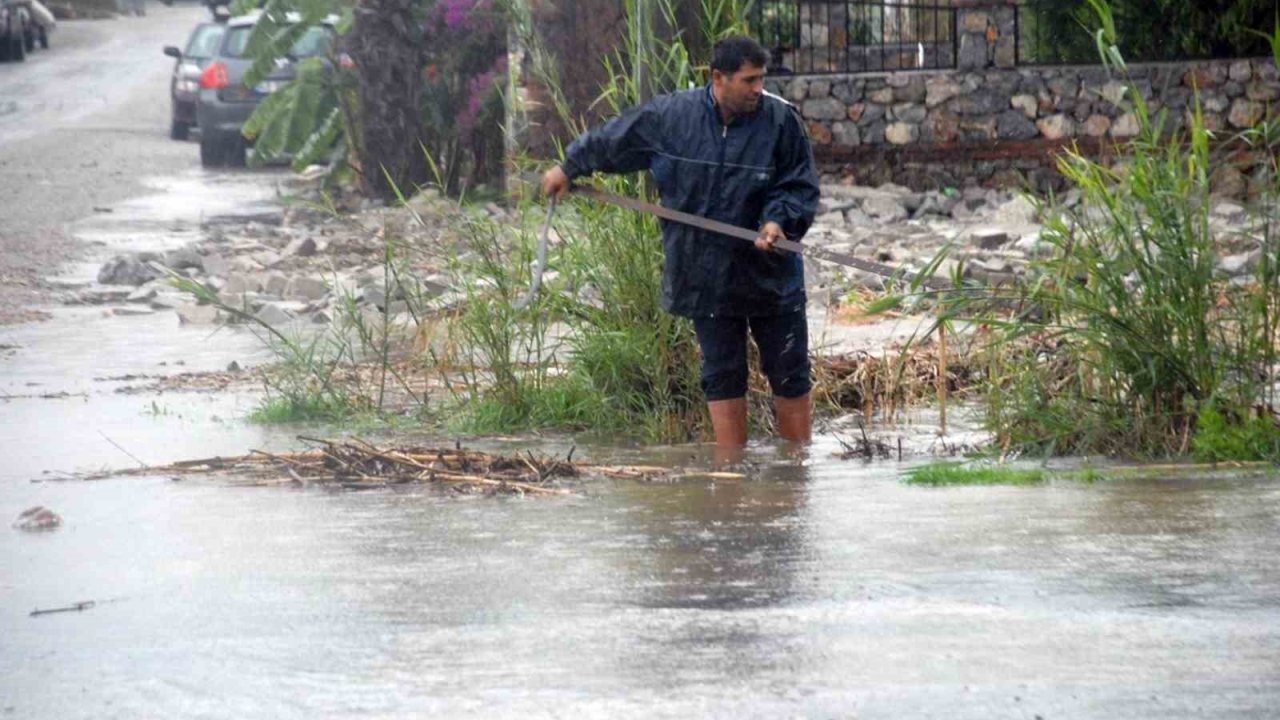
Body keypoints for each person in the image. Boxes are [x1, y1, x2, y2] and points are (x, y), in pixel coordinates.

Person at [541, 35, 820, 450]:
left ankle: (798, 472)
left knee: (790, 373)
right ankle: (730, 476)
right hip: (703, 275)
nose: (758, 89)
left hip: (771, 276)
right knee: (722, 377)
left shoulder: (782, 121)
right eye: (749, 80)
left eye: (761, 78)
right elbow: (615, 140)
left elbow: (799, 185)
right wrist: (569, 166)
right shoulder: (672, 117)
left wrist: (779, 221)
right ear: (718, 78)